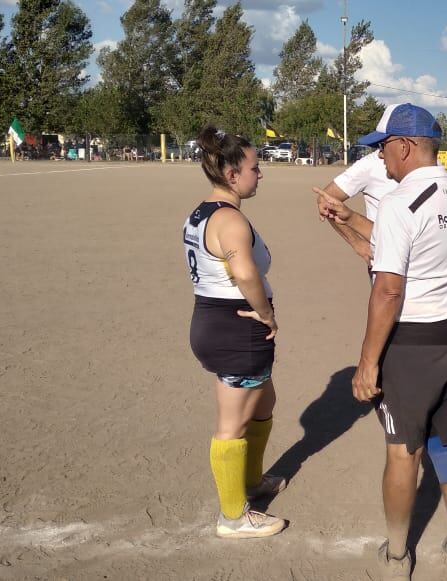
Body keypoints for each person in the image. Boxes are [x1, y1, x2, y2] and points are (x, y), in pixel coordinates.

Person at [319, 103, 447, 579]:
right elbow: (399, 243)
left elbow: (389, 288)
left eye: (383, 148)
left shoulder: (398, 202)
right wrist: (347, 218)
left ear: (405, 145)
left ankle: (395, 556)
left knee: (401, 451)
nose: (380, 160)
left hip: (412, 342)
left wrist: (368, 362)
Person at [181, 125, 288, 539]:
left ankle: (250, 479)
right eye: (255, 168)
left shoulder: (202, 212)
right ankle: (233, 515)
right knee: (233, 422)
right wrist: (266, 314)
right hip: (235, 328)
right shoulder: (230, 220)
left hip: (214, 321)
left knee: (264, 401)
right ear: (231, 174)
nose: (259, 174)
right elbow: (244, 271)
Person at [314, 146, 394, 262]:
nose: (381, 153)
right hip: (386, 261)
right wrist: (357, 242)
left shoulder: (428, 165)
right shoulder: (371, 164)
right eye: (381, 144)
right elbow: (326, 199)